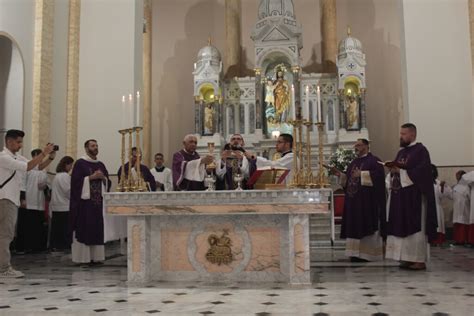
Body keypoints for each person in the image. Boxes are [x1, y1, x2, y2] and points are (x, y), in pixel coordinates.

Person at [0, 129, 55, 278]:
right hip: (5, 199)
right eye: (18, 142)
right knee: (5, 235)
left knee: (7, 234)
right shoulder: (3, 157)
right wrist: (43, 153)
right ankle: (4, 269)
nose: (20, 145)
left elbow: (36, 167)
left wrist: (50, 157)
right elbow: (27, 167)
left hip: (11, 199)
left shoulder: (17, 157)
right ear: (9, 141)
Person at [385, 123, 437, 271]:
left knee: (416, 229)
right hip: (401, 197)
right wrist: (393, 170)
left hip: (414, 198)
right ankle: (407, 258)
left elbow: (422, 172)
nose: (400, 136)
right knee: (402, 226)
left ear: (412, 135)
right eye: (400, 133)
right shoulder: (402, 152)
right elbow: (398, 169)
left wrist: (400, 172)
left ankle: (419, 260)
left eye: (403, 134)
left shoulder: (420, 150)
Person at [334, 139, 385, 262]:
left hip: (367, 202)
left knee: (366, 223)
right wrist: (340, 175)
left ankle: (368, 254)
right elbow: (349, 180)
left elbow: (379, 178)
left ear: (367, 146)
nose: (356, 147)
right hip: (353, 201)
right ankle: (354, 253)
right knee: (354, 225)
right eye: (355, 145)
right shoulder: (354, 162)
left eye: (359, 145)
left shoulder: (374, 161)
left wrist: (362, 174)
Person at [69, 139, 111, 265]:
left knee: (97, 229)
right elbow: (75, 183)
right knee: (85, 228)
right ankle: (83, 259)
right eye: (93, 146)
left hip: (98, 205)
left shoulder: (101, 164)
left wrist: (103, 178)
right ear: (86, 148)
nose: (95, 147)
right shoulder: (80, 163)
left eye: (96, 145)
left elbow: (107, 181)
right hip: (85, 205)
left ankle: (96, 258)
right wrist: (91, 178)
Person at [17, 149, 56, 253]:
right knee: (27, 225)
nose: (41, 159)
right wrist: (23, 198)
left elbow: (48, 184)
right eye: (39, 156)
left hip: (39, 202)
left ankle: (37, 246)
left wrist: (45, 186)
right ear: (34, 156)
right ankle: (24, 247)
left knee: (38, 226)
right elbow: (22, 183)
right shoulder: (27, 167)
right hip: (29, 201)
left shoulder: (42, 170)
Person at [49, 156, 74, 251]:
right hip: (64, 206)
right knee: (64, 229)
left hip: (56, 206)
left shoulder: (57, 176)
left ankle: (56, 246)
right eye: (71, 165)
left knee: (57, 229)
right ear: (66, 164)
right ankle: (63, 246)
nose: (71, 167)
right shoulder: (64, 176)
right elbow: (68, 191)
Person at [431, 164, 452, 246]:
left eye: (432, 170)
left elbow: (442, 195)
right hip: (427, 207)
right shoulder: (423, 183)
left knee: (438, 224)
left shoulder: (438, 183)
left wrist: (442, 187)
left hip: (437, 207)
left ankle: (437, 240)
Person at [452, 170, 471, 245]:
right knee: (457, 224)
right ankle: (458, 240)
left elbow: (469, 197)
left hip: (464, 208)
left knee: (463, 223)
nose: (457, 177)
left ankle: (463, 240)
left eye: (458, 176)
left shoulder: (467, 187)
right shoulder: (456, 186)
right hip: (457, 208)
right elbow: (452, 196)